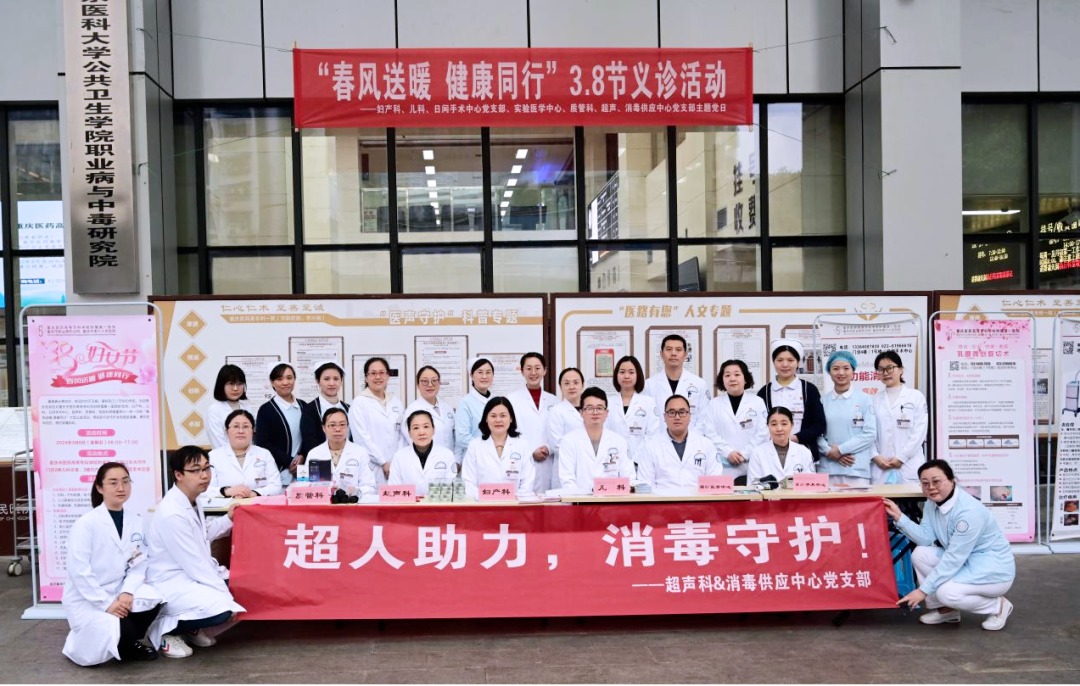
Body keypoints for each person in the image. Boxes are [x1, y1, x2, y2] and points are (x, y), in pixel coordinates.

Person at [884, 460, 1016, 630]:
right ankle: (946, 611)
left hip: (993, 571)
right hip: (965, 562)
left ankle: (998, 607)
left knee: (946, 592)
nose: (931, 487)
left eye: (936, 481)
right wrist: (899, 517)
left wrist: (922, 591)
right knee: (920, 554)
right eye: (925, 483)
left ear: (952, 480)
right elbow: (925, 538)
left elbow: (954, 559)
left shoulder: (969, 513)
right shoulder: (932, 503)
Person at [146, 446, 245, 658]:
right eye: (196, 470)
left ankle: (192, 629)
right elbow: (195, 564)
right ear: (179, 475)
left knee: (245, 591)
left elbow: (202, 534)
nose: (204, 475)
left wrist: (229, 518)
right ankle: (164, 631)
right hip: (173, 582)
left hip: (193, 575)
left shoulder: (192, 499)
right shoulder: (172, 513)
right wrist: (225, 594)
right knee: (225, 608)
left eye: (207, 468)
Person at [62, 462, 162, 666]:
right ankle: (124, 643)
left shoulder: (135, 521)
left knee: (155, 599)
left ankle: (126, 642)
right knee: (124, 629)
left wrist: (127, 592)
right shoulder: (86, 524)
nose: (121, 488)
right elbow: (79, 571)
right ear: (100, 488)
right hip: (88, 598)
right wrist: (106, 604)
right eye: (113, 483)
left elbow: (139, 562)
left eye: (126, 481)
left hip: (118, 589)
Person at [700, 359, 768, 485]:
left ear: (745, 378)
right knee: (725, 496)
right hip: (723, 465)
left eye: (737, 374)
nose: (732, 379)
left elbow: (763, 433)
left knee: (752, 495)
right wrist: (728, 452)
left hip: (751, 464)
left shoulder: (758, 402)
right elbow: (709, 433)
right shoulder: (714, 404)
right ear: (722, 380)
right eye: (727, 375)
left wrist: (744, 454)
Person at [757, 338, 826, 462]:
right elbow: (759, 425)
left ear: (798, 362)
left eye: (790, 360)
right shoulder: (764, 392)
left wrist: (795, 438)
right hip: (770, 454)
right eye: (780, 360)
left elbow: (819, 425)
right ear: (774, 362)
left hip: (805, 452)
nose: (785, 365)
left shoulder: (809, 389)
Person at [557, 387, 635, 495]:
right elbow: (567, 479)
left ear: (606, 412)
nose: (595, 412)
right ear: (581, 412)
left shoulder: (619, 441)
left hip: (612, 500)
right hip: (580, 501)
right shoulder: (569, 441)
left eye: (600, 408)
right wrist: (580, 499)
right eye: (589, 408)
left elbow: (628, 477)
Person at [638, 395, 723, 491]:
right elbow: (646, 484)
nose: (677, 417)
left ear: (689, 416)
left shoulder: (706, 445)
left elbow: (715, 480)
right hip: (662, 499)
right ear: (664, 417)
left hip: (697, 499)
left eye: (682, 412)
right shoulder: (651, 446)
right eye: (672, 412)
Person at [817, 350, 877, 486]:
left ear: (853, 371)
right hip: (828, 468)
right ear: (829, 372)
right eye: (835, 368)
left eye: (846, 368)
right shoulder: (823, 401)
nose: (841, 373)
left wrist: (840, 450)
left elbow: (869, 433)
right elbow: (816, 432)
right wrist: (829, 451)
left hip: (856, 468)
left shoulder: (864, 399)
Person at [871, 350, 928, 484]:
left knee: (910, 497)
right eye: (881, 369)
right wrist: (875, 456)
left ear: (901, 370)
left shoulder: (916, 396)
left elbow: (919, 432)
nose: (885, 373)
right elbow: (868, 433)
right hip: (881, 466)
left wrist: (902, 457)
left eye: (890, 368)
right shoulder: (874, 400)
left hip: (909, 465)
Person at [461, 397, 536, 499]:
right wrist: (486, 498)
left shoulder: (522, 445)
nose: (498, 420)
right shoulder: (475, 446)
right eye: (493, 416)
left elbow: (528, 481)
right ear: (486, 419)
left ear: (511, 418)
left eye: (503, 415)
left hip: (514, 504)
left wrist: (515, 499)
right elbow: (468, 482)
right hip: (483, 504)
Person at [506, 353, 559, 493]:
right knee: (525, 496)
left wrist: (548, 448)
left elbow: (558, 432)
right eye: (529, 368)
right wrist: (530, 452)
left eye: (537, 368)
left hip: (548, 460)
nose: (533, 372)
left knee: (548, 499)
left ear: (545, 371)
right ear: (522, 371)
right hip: (522, 458)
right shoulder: (511, 399)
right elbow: (510, 431)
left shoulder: (554, 400)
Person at [348, 356, 406, 484]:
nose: (378, 377)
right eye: (373, 373)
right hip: (372, 467)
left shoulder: (396, 402)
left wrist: (396, 461)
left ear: (388, 376)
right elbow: (362, 439)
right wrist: (383, 462)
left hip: (396, 466)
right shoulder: (359, 403)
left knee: (396, 495)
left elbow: (403, 435)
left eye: (382, 372)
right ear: (366, 378)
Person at [205, 409, 282, 502]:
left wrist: (254, 493)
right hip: (225, 508)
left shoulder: (264, 454)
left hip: (257, 506)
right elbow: (204, 489)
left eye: (246, 426)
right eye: (236, 426)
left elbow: (276, 486)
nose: (241, 431)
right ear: (226, 431)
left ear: (253, 430)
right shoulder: (213, 456)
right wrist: (226, 491)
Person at [643, 334, 711, 430]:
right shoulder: (648, 385)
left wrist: (691, 438)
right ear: (661, 354)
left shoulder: (699, 384)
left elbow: (704, 419)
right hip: (658, 438)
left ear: (685, 355)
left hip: (692, 438)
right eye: (669, 349)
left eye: (678, 350)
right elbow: (646, 420)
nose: (673, 353)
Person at [254, 363, 306, 485]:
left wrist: (303, 456)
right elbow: (263, 443)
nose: (285, 382)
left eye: (289, 378)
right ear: (272, 382)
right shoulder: (266, 410)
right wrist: (290, 461)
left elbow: (310, 437)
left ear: (294, 379)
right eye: (279, 379)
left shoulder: (304, 406)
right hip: (278, 472)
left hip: (303, 471)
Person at [306, 407, 376, 497]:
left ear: (347, 427)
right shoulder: (314, 454)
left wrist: (356, 491)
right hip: (323, 504)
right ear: (323, 428)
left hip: (351, 503)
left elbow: (370, 487)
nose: (338, 429)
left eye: (342, 424)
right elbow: (307, 486)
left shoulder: (360, 452)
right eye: (332, 425)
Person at [604, 355, 661, 466]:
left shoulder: (648, 402)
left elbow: (652, 435)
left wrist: (635, 459)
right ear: (616, 375)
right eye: (622, 372)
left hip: (641, 463)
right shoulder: (608, 403)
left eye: (631, 372)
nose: (626, 376)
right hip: (613, 462)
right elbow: (604, 434)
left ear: (637, 375)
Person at [389, 409, 458, 496]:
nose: (421, 432)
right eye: (416, 428)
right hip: (408, 505)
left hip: (437, 504)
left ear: (433, 430)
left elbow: (451, 490)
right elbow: (393, 491)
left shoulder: (447, 455)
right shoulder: (399, 457)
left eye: (426, 426)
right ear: (409, 433)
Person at [747, 407, 815, 484]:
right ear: (768, 426)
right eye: (774, 424)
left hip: (797, 493)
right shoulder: (757, 453)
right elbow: (753, 485)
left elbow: (811, 484)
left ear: (792, 425)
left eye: (784, 424)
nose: (779, 429)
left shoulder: (804, 452)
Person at [544, 367, 586, 491]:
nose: (571, 387)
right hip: (565, 468)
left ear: (582, 385)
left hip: (588, 468)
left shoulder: (590, 409)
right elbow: (556, 444)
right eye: (566, 383)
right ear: (560, 387)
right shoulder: (556, 411)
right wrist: (584, 453)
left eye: (576, 382)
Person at [400, 366, 455, 460]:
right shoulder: (412, 410)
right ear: (417, 385)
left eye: (434, 380)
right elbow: (412, 441)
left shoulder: (448, 408)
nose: (430, 385)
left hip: (450, 460)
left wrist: (456, 460)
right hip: (426, 461)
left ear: (439, 383)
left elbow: (455, 437)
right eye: (425, 381)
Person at [298, 362, 351, 460]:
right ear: (318, 381)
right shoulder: (310, 409)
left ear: (341, 381)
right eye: (326, 379)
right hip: (321, 462)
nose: (332, 383)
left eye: (336, 379)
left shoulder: (348, 408)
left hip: (349, 461)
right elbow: (309, 443)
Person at [454, 357, 495, 462]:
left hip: (496, 456)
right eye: (480, 372)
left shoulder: (496, 401)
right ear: (471, 375)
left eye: (488, 372)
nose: (484, 376)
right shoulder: (465, 403)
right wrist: (487, 447)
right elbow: (462, 437)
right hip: (474, 458)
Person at [205, 364, 254, 450]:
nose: (235, 388)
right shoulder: (214, 410)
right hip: (224, 456)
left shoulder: (247, 407)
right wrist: (238, 455)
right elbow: (218, 442)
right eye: (231, 384)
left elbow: (252, 438)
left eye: (239, 384)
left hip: (249, 455)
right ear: (221, 386)